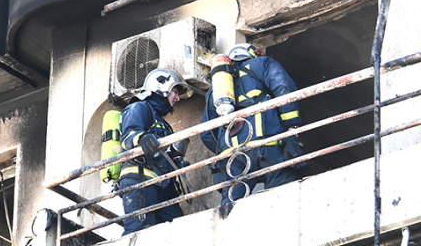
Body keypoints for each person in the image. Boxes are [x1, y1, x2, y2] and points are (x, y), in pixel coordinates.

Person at [201, 43, 305, 205]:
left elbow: (206, 133)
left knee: (231, 205)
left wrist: (225, 148)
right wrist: (292, 127)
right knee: (282, 195)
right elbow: (283, 89)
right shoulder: (262, 64)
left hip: (233, 158)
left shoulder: (217, 89)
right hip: (267, 145)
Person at [118, 68, 189, 235]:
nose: (177, 98)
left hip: (163, 184)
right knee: (139, 231)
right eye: (175, 92)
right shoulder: (138, 107)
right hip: (139, 180)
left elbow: (163, 153)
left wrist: (177, 162)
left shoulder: (163, 124)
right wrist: (141, 138)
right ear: (162, 87)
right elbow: (129, 136)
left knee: (177, 231)